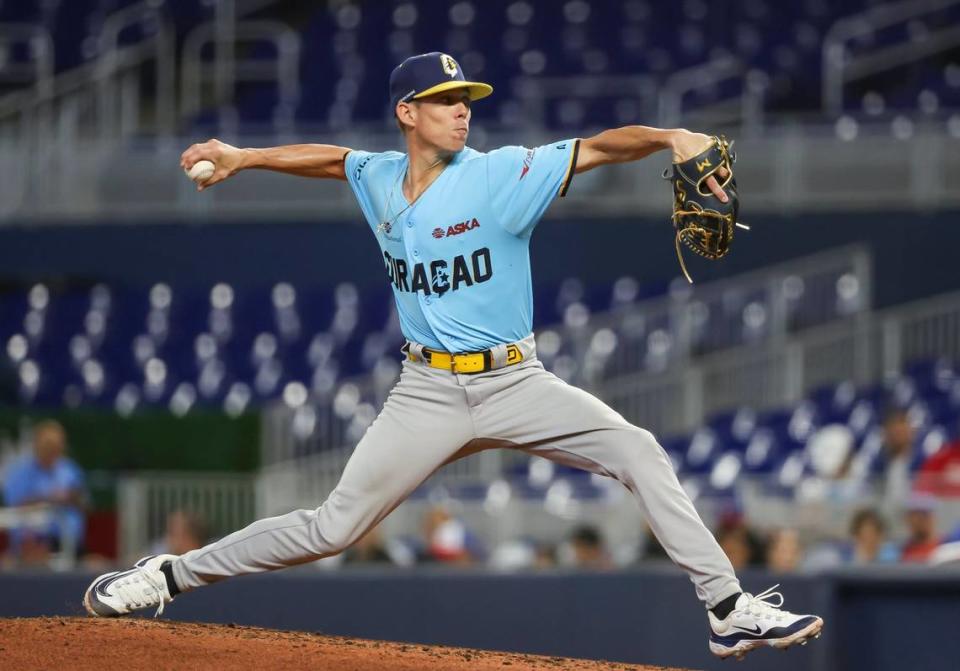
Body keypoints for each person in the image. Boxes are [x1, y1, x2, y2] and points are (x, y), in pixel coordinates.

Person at [83, 52, 821, 660]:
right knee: (332, 527)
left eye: (464, 98)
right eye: (442, 99)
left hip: (516, 379)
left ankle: (728, 607)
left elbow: (598, 147)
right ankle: (168, 576)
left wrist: (670, 136)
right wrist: (246, 157)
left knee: (638, 449)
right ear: (408, 112)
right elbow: (336, 161)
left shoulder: (500, 175)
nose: (461, 109)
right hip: (425, 391)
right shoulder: (381, 179)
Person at [2, 420, 87, 562]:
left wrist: (71, 497)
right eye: (48, 445)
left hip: (70, 545)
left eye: (57, 446)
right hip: (32, 544)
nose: (52, 450)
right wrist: (50, 498)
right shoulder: (19, 473)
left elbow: (84, 503)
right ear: (37, 445)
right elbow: (14, 509)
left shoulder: (70, 469)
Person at [900, 494, 941, 563]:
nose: (921, 519)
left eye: (925, 514)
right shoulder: (900, 552)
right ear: (907, 519)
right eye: (916, 514)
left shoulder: (945, 548)